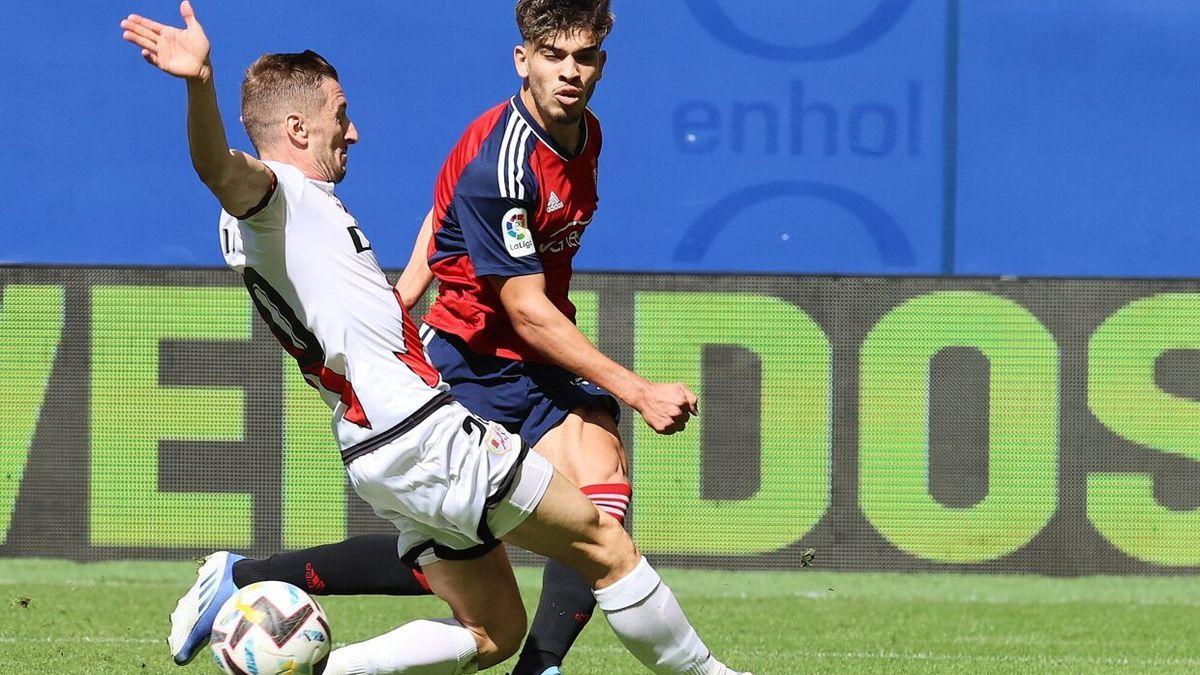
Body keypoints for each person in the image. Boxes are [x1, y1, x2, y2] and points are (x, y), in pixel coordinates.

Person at [120, 4, 749, 674]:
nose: (353, 131)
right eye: (340, 114)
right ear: (298, 128)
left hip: (379, 443)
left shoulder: (297, 213)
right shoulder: (277, 200)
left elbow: (435, 220)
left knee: (493, 630)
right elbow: (222, 169)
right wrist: (199, 85)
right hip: (421, 427)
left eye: (585, 56)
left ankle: (306, 664)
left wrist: (403, 296)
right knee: (602, 538)